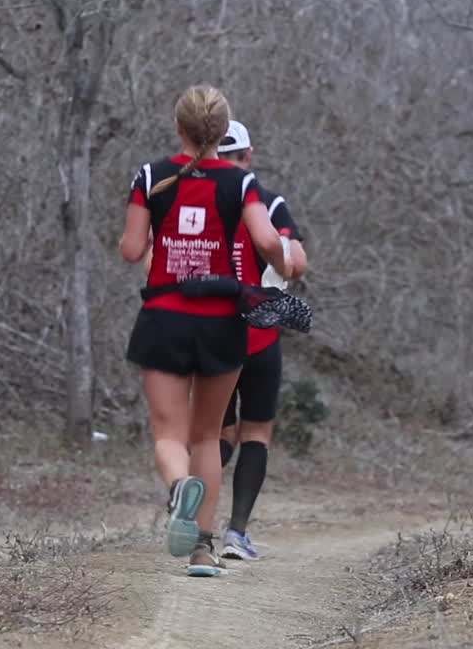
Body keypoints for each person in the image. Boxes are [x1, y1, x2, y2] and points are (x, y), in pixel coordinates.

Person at [119, 86, 293, 578]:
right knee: (207, 437)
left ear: (179, 127)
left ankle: (180, 490)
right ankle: (202, 549)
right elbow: (267, 240)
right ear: (221, 132)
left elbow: (132, 249)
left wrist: (160, 238)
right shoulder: (242, 182)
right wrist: (282, 265)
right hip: (223, 323)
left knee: (168, 435)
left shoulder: (151, 176)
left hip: (164, 318)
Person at [214, 119, 308, 561]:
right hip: (259, 335)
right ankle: (236, 534)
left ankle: (189, 505)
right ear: (248, 156)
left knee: (216, 432)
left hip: (208, 333)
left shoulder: (188, 200)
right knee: (256, 431)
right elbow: (295, 261)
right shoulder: (268, 203)